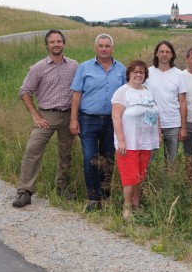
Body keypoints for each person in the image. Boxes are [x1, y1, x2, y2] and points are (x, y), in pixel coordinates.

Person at [13, 30, 78, 208]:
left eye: (59, 41)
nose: (56, 44)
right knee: (32, 149)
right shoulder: (38, 67)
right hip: (46, 116)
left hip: (68, 115)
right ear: (47, 45)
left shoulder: (74, 66)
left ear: (63, 43)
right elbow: (24, 91)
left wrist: (75, 117)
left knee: (66, 152)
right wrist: (35, 115)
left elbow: (79, 90)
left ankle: (62, 188)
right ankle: (25, 191)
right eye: (52, 42)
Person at [70, 33, 127, 212]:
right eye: (100, 46)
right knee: (90, 159)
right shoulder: (84, 67)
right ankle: (93, 198)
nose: (104, 49)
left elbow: (127, 94)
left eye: (107, 46)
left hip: (112, 121)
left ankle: (105, 195)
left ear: (112, 48)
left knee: (108, 158)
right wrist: (73, 119)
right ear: (95, 48)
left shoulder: (121, 69)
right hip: (88, 120)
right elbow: (76, 94)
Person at [112, 60, 160, 219]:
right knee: (130, 177)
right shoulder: (122, 92)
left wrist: (158, 134)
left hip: (146, 142)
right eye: (136, 72)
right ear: (129, 74)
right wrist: (121, 140)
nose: (139, 75)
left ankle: (136, 204)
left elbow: (155, 113)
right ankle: (126, 208)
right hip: (129, 142)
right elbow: (116, 118)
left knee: (140, 176)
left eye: (142, 72)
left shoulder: (148, 91)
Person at [147, 40, 187, 167]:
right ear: (156, 54)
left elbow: (182, 101)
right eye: (162, 51)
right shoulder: (147, 73)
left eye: (167, 52)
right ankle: (145, 185)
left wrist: (183, 127)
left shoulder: (179, 74)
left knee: (171, 160)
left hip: (173, 123)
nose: (164, 54)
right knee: (148, 159)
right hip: (151, 123)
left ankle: (169, 184)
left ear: (172, 55)